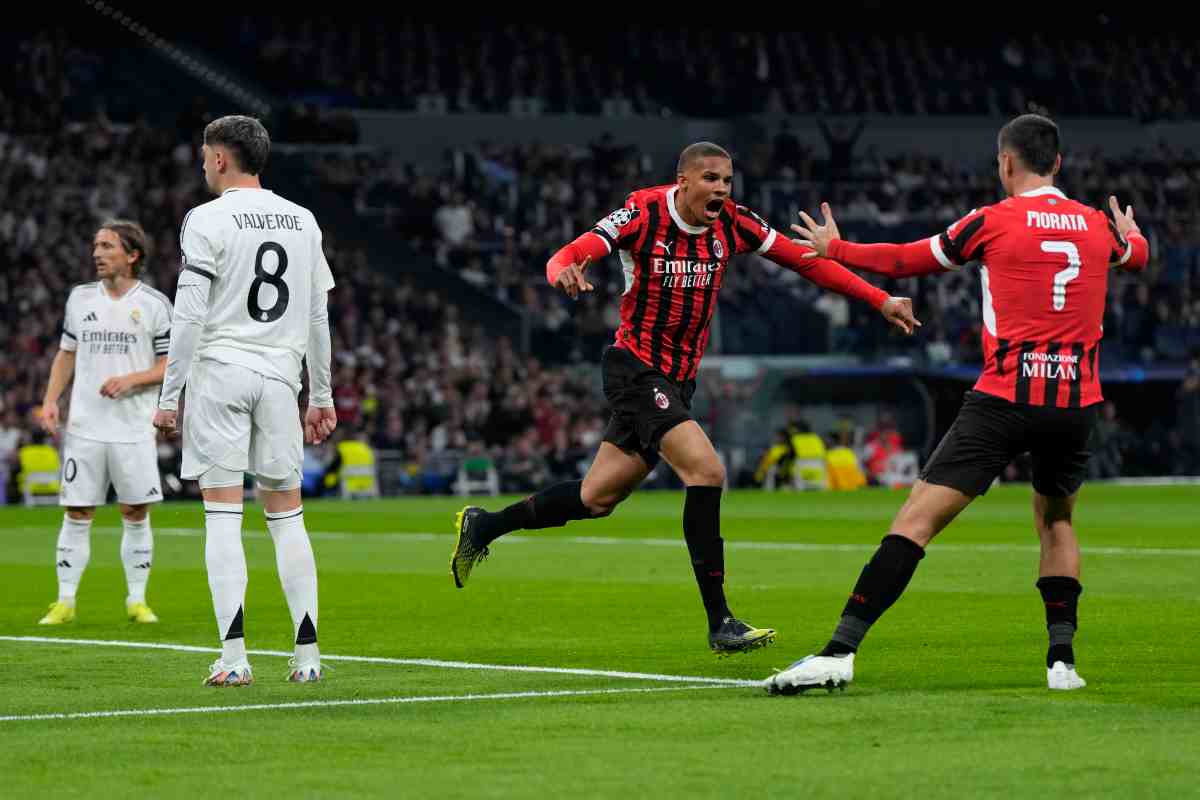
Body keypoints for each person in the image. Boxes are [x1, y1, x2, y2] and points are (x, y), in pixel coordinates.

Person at [451, 141, 919, 654]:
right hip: (635, 368)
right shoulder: (642, 213)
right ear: (683, 181)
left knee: (596, 498)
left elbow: (805, 262)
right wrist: (562, 270)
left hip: (677, 380)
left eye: (727, 180)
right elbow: (570, 252)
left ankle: (485, 525)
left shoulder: (734, 224)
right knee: (707, 471)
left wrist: (880, 299)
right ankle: (721, 621)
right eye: (711, 179)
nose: (721, 189)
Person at [770, 114, 1148, 694]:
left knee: (915, 522)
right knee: (1058, 521)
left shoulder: (992, 221)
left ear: (1005, 163)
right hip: (1075, 403)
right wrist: (1136, 234)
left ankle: (839, 651)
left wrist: (835, 246)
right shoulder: (1098, 226)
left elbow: (903, 261)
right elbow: (1138, 257)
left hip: (1004, 398)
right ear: (1059, 164)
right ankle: (1061, 663)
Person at [153, 115, 338, 687]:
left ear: (220, 159)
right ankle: (307, 658)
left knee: (223, 518)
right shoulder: (303, 220)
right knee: (287, 518)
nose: (203, 163)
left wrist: (169, 393)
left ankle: (234, 659)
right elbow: (316, 315)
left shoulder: (206, 218)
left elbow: (188, 313)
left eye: (205, 154)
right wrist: (322, 392)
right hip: (281, 380)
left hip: (220, 374)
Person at [37, 220, 171, 626]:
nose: (97, 253)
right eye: (96, 245)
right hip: (85, 426)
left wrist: (131, 379)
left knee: (134, 511)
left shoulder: (154, 305)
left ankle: (136, 600)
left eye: (108, 246)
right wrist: (49, 401)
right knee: (77, 511)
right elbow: (66, 355)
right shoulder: (79, 299)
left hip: (133, 428)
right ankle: (64, 601)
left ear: (132, 255)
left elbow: (170, 366)